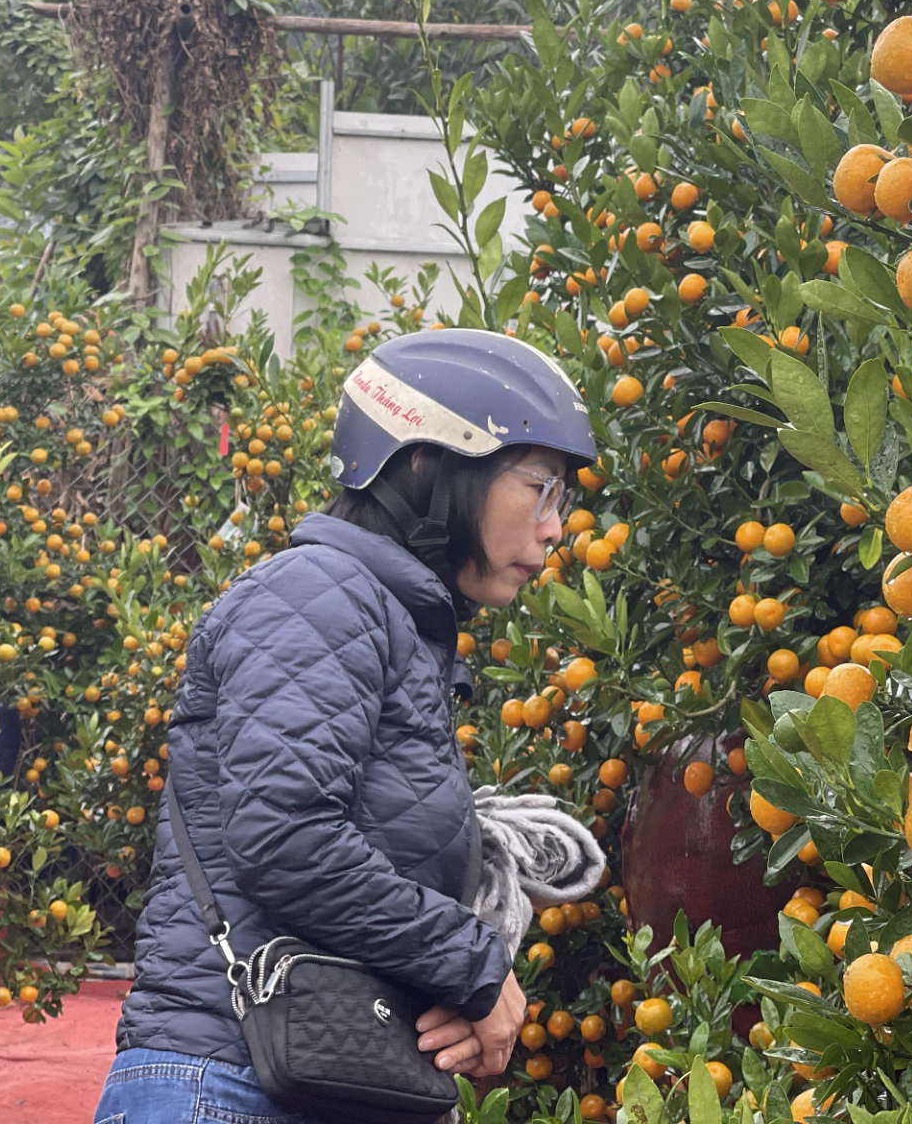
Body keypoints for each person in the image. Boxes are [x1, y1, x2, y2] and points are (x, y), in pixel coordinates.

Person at [95, 329, 597, 1123]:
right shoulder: (318, 595)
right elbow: (285, 837)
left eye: (563, 500)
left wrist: (444, 1014)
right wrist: (473, 967)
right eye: (541, 488)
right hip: (228, 1086)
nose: (555, 526)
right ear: (429, 465)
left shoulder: (386, 619)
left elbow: (348, 889)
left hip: (302, 1078)